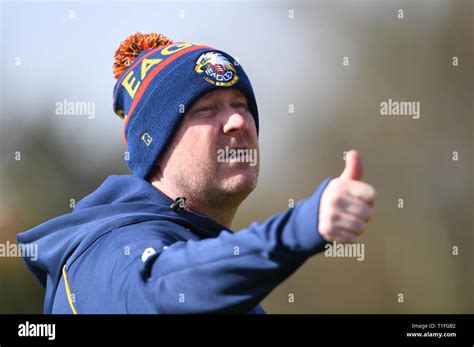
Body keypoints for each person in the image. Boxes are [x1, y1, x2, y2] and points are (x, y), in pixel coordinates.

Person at [17, 33, 377, 314]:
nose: (237, 121)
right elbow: (163, 288)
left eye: (240, 104)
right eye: (205, 109)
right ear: (156, 146)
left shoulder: (204, 252)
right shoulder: (110, 249)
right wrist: (300, 228)